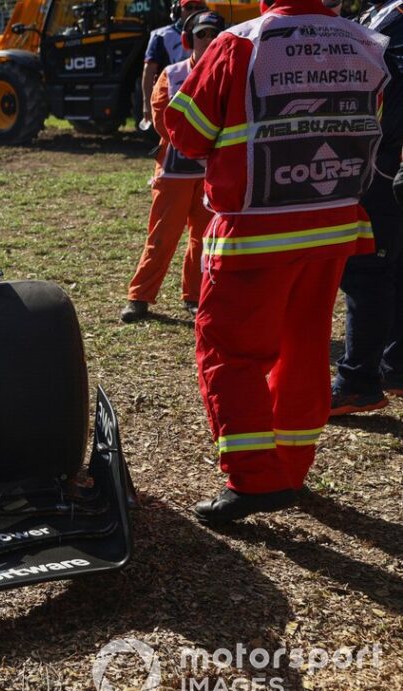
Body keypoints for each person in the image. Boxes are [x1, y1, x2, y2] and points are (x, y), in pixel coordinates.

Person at [164, 0, 388, 524]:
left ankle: (254, 481)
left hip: (255, 230)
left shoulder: (240, 42)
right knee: (305, 347)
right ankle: (290, 468)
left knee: (232, 352)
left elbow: (187, 130)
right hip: (333, 224)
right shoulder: (363, 42)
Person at [121, 11, 224, 323]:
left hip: (209, 173)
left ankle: (194, 296)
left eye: (213, 35)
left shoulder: (228, 73)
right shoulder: (173, 73)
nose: (208, 40)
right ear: (188, 39)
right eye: (202, 34)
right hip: (174, 172)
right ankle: (139, 297)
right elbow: (163, 120)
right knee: (162, 236)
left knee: (204, 238)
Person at [329, 0, 403, 415]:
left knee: (367, 273)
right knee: (393, 267)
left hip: (381, 164)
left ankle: (358, 382)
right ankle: (395, 367)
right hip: (382, 162)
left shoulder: (397, 18)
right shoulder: (386, 13)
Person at [141, 0, 208, 127]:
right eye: (189, 7)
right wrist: (146, 103)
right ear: (177, 10)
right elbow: (149, 71)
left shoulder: (213, 34)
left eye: (199, 8)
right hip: (171, 101)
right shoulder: (161, 36)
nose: (194, 11)